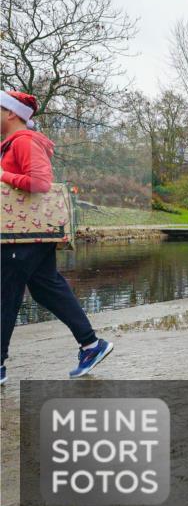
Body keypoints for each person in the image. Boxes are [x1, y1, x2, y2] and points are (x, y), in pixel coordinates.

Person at [1, 90, 114, 383]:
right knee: (46, 288)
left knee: (5, 294)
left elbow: (40, 182)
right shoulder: (11, 144)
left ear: (11, 113)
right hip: (27, 235)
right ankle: (91, 345)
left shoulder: (24, 142)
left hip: (23, 236)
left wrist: (3, 176)